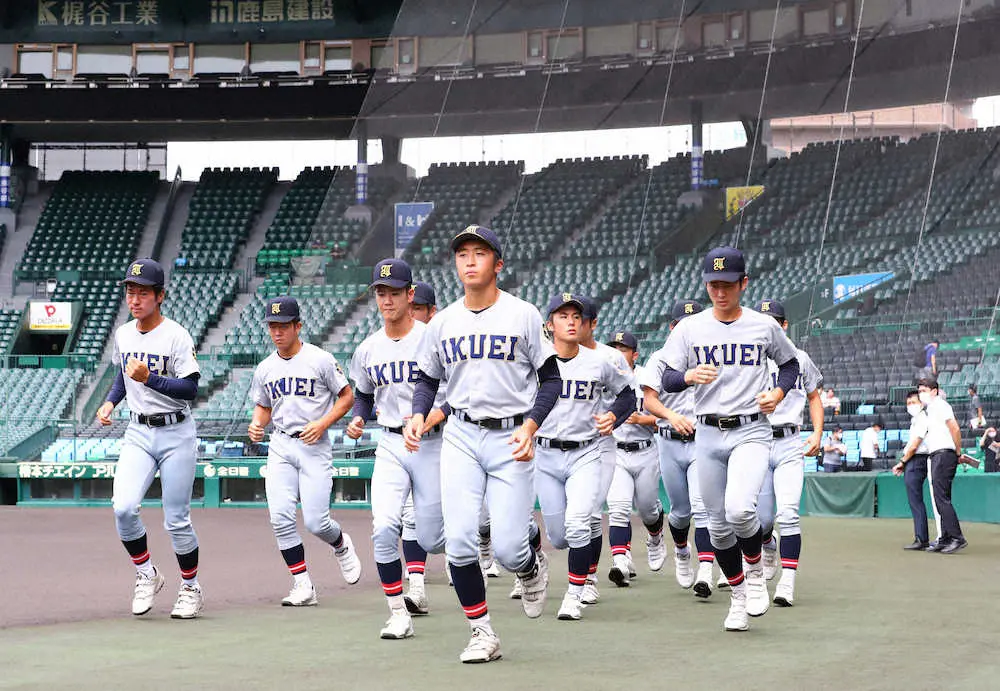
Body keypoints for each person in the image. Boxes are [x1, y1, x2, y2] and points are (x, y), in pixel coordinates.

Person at [404, 224, 561, 664]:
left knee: (510, 549)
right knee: (458, 542)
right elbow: (427, 378)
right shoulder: (444, 321)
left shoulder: (523, 314)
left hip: (511, 435)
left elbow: (550, 379)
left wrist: (531, 426)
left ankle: (530, 565)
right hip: (460, 434)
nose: (469, 260)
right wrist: (419, 413)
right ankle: (482, 632)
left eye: (479, 252)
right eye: (462, 254)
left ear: (498, 263)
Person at [659, 247, 800, 632]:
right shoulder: (690, 328)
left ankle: (754, 573)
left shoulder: (762, 325)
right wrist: (688, 377)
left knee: (739, 510)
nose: (719, 292)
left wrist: (780, 393)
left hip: (751, 429)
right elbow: (667, 378)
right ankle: (738, 595)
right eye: (712, 285)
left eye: (726, 284)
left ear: (743, 284)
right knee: (718, 525)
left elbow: (789, 365)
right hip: (706, 431)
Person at [98, 258, 204, 619]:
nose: (135, 299)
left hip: (177, 432)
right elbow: (123, 376)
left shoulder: (176, 335)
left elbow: (190, 388)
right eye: (131, 291)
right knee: (123, 508)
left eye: (143, 292)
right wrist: (111, 402)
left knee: (176, 519)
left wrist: (150, 380)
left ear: (160, 295)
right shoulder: (124, 334)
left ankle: (190, 587)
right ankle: (147, 574)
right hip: (138, 431)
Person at [347, 260, 447, 639]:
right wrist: (359, 418)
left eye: (393, 292)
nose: (386, 300)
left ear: (410, 295)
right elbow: (363, 394)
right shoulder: (368, 348)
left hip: (432, 444)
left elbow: (456, 393)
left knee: (433, 537)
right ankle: (396, 611)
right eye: (380, 293)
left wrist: (431, 418)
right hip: (390, 441)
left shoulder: (432, 338)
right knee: (385, 527)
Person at [248, 295, 362, 607]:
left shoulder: (320, 359)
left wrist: (324, 423)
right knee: (280, 517)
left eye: (283, 325)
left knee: (316, 522)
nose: (277, 332)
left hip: (314, 444)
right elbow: (263, 406)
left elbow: (347, 396)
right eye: (272, 326)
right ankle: (302, 585)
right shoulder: (265, 368)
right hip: (281, 443)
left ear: (298, 326)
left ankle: (340, 544)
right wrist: (257, 424)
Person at [533, 294, 634, 620]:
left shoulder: (599, 362)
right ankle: (544, 564)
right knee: (559, 535)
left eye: (576, 315)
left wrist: (614, 417)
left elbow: (628, 395)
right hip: (545, 454)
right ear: (550, 325)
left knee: (579, 524)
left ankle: (574, 595)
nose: (572, 321)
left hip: (586, 452)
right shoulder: (535, 364)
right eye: (563, 316)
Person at [640, 299, 718, 597]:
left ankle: (707, 570)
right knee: (681, 512)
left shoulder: (713, 355)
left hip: (702, 440)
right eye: (679, 323)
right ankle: (683, 551)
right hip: (669, 441)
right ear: (672, 327)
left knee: (703, 507)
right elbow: (649, 399)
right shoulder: (661, 358)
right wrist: (671, 416)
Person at [752, 299, 824, 608]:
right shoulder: (749, 359)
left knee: (789, 513)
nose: (769, 325)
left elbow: (814, 396)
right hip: (756, 440)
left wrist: (818, 433)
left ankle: (788, 581)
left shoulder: (800, 358)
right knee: (762, 520)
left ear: (784, 326)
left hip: (789, 442)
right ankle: (768, 545)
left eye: (774, 321)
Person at [603, 330, 663, 589]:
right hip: (616, 451)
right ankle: (620, 561)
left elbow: (667, 418)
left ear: (635, 354)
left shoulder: (647, 379)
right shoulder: (603, 377)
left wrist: (645, 419)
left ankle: (656, 536)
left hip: (646, 450)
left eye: (623, 349)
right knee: (618, 508)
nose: (617, 353)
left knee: (648, 510)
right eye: (614, 348)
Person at [916, 378, 967, 554]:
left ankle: (957, 537)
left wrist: (958, 451)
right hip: (938, 454)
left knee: (941, 498)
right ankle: (945, 538)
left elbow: (955, 428)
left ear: (935, 391)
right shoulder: (930, 410)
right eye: (920, 390)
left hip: (944, 454)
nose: (921, 393)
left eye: (924, 389)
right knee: (940, 497)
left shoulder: (941, 405)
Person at [892, 390, 938, 551]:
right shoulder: (916, 420)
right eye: (908, 403)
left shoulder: (921, 419)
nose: (910, 405)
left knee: (915, 501)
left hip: (917, 460)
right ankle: (921, 537)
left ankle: (921, 538)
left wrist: (903, 461)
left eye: (913, 402)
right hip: (914, 460)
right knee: (916, 501)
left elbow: (915, 444)